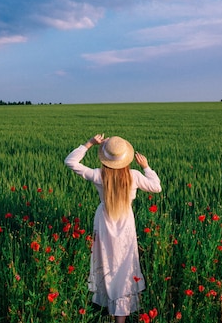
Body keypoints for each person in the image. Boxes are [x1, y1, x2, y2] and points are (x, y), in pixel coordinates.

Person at [65, 133, 162, 322]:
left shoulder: (99, 175)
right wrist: (146, 167)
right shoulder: (133, 176)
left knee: (107, 264)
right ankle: (120, 315)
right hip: (125, 226)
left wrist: (89, 144)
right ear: (125, 158)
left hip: (104, 224)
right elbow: (156, 187)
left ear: (105, 158)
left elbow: (70, 162)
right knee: (125, 266)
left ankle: (110, 305)